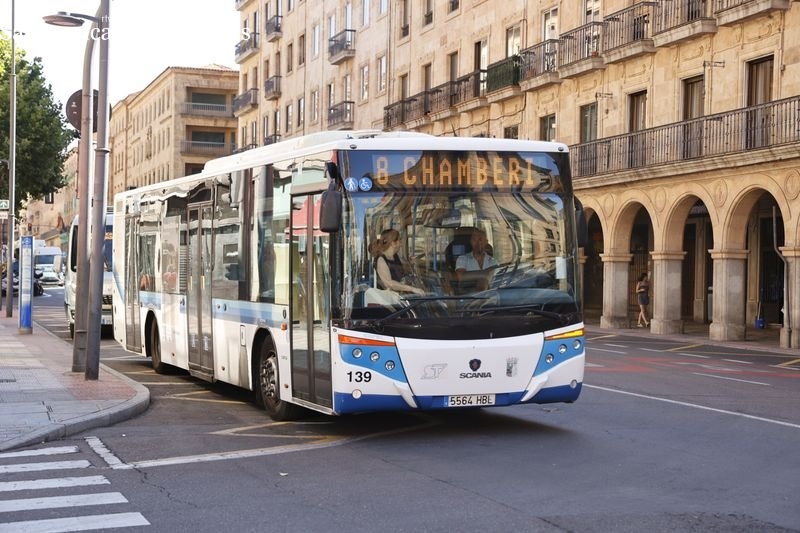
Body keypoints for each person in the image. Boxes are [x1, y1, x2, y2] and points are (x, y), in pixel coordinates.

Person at [374, 229, 424, 295]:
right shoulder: (381, 260)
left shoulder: (396, 256)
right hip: (389, 299)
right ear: (393, 243)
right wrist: (412, 289)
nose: (401, 244)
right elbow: (389, 283)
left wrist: (413, 263)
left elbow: (405, 267)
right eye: (399, 240)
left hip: (401, 296)